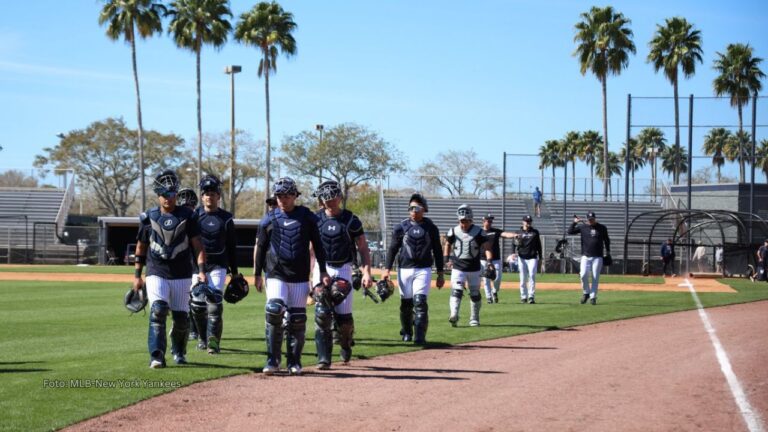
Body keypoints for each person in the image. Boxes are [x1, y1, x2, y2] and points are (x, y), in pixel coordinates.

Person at [253, 177, 330, 375]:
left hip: (299, 275)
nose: (282, 200)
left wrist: (322, 270)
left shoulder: (306, 217)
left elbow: (318, 245)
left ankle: (294, 362)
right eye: (279, 196)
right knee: (274, 310)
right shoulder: (269, 219)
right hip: (276, 273)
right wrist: (257, 274)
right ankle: (272, 360)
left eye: (287, 195)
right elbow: (260, 248)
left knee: (297, 319)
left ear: (295, 195)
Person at [132, 169, 207, 368]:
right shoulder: (148, 217)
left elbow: (198, 245)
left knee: (182, 318)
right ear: (158, 195)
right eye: (165, 195)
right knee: (158, 310)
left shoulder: (188, 215)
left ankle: (179, 352)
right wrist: (137, 276)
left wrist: (200, 270)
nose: (169, 199)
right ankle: (157, 356)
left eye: (172, 194)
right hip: (156, 270)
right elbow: (141, 246)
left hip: (182, 272)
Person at [310, 180, 374, 369]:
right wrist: (309, 277)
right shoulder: (316, 219)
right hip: (321, 267)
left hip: (344, 268)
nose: (330, 202)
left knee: (344, 318)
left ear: (340, 197)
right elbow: (311, 250)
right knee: (322, 313)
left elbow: (362, 247)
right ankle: (324, 358)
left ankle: (345, 343)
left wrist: (367, 272)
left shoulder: (351, 220)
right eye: (326, 199)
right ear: (321, 200)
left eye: (333, 198)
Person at [383, 193, 444, 345]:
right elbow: (392, 249)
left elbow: (437, 250)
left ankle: (420, 336)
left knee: (420, 301)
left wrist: (441, 273)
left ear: (424, 209)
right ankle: (407, 332)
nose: (413, 210)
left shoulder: (431, 228)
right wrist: (387, 269)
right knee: (406, 304)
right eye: (411, 207)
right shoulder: (401, 227)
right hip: (404, 269)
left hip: (423, 269)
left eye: (417, 207)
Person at [189, 174, 240, 354]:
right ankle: (202, 338)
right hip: (197, 267)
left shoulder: (226, 218)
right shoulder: (194, 216)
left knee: (215, 303)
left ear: (219, 196)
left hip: (218, 265)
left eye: (213, 193)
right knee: (197, 306)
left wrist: (234, 272)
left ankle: (213, 343)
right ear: (202, 197)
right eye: (206, 193)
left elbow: (232, 247)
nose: (209, 196)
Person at [444, 204, 493, 326]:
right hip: (458, 267)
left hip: (474, 268)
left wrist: (490, 261)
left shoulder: (479, 232)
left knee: (475, 294)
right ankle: (454, 314)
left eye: (466, 221)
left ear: (471, 219)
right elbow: (447, 244)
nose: (463, 223)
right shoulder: (453, 231)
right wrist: (446, 259)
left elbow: (487, 247)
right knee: (457, 291)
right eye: (461, 221)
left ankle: (474, 318)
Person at [568, 211, 610, 305]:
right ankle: (586, 292)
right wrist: (575, 222)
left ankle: (593, 297)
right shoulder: (583, 227)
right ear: (587, 219)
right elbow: (570, 231)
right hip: (585, 256)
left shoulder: (602, 228)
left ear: (595, 218)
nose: (591, 220)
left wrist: (608, 252)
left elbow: (607, 240)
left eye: (592, 219)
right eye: (589, 219)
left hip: (598, 256)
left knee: (595, 277)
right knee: (583, 274)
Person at [176, 188, 200, 341]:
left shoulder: (198, 218)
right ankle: (188, 328)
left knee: (197, 299)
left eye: (189, 205)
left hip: (196, 264)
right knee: (185, 299)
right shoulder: (175, 218)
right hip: (180, 264)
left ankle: (197, 330)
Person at [480, 213, 516, 303]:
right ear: (483, 221)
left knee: (497, 278)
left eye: (491, 221)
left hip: (496, 259)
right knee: (486, 279)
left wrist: (514, 235)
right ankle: (488, 297)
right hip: (483, 259)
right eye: (488, 220)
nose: (490, 222)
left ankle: (494, 291)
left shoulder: (495, 231)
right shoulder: (479, 232)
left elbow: (505, 234)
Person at [510, 215, 542, 304]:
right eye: (527, 221)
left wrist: (541, 256)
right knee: (523, 277)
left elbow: (539, 245)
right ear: (523, 222)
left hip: (532, 257)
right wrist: (513, 253)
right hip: (522, 257)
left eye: (529, 221)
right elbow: (513, 243)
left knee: (532, 275)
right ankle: (523, 297)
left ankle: (531, 296)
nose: (528, 223)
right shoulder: (518, 232)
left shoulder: (535, 232)